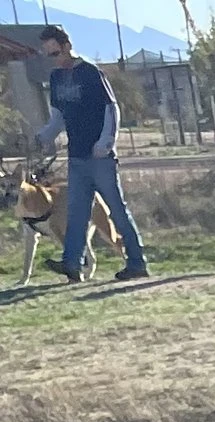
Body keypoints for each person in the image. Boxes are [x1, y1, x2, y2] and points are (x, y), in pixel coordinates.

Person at [30, 23, 151, 285]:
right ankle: (72, 263)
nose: (54, 60)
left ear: (67, 47)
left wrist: (107, 141)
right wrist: (43, 137)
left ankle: (137, 262)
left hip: (100, 159)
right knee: (77, 213)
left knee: (117, 211)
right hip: (77, 157)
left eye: (55, 53)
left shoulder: (91, 73)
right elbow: (58, 117)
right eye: (48, 55)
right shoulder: (56, 78)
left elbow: (112, 109)